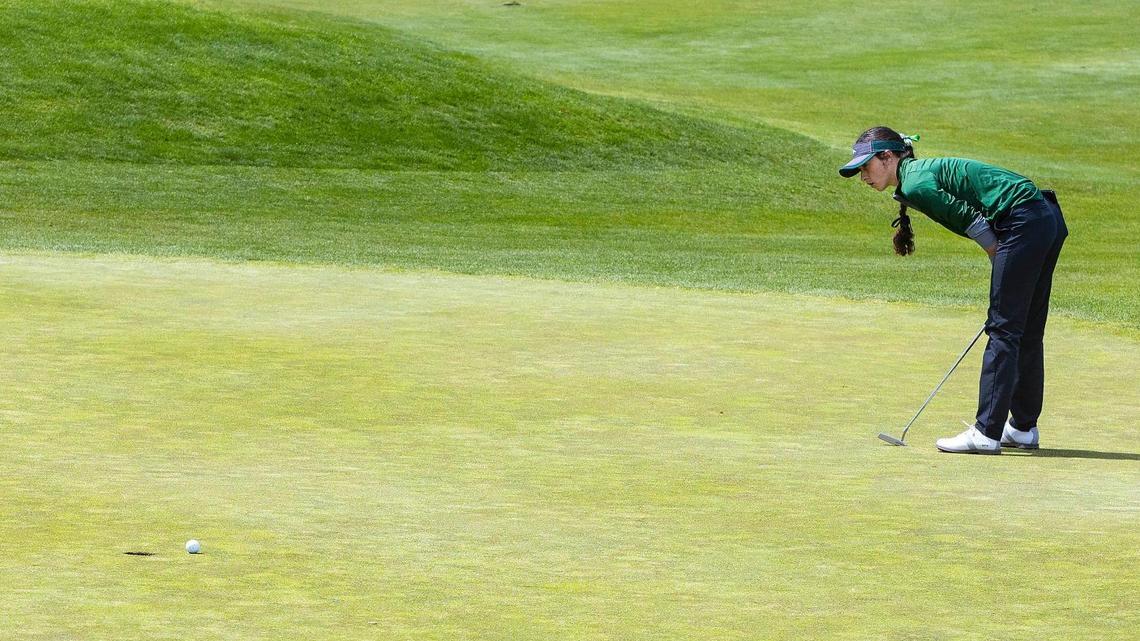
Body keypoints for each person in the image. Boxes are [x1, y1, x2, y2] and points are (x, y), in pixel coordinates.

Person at [839, 126, 1068, 454]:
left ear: (887, 157)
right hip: (1044, 216)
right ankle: (1022, 428)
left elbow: (969, 219)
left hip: (1023, 220)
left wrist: (1001, 257)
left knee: (1004, 329)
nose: (863, 175)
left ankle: (986, 432)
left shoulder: (915, 182)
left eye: (866, 166)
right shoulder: (915, 175)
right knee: (1026, 329)